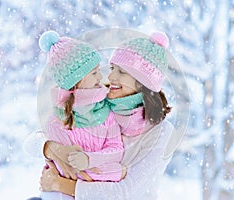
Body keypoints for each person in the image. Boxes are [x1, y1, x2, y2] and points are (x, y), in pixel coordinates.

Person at [37, 31, 174, 200]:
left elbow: (125, 193)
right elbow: (36, 140)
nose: (110, 77)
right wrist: (50, 148)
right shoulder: (103, 107)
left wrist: (59, 184)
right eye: (112, 68)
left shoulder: (161, 133)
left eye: (122, 72)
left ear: (142, 83)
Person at [37, 30, 127, 200]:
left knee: (117, 170)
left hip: (88, 186)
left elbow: (116, 150)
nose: (101, 77)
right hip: (62, 194)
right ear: (75, 81)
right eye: (94, 73)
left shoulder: (105, 111)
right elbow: (66, 169)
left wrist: (89, 160)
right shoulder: (57, 120)